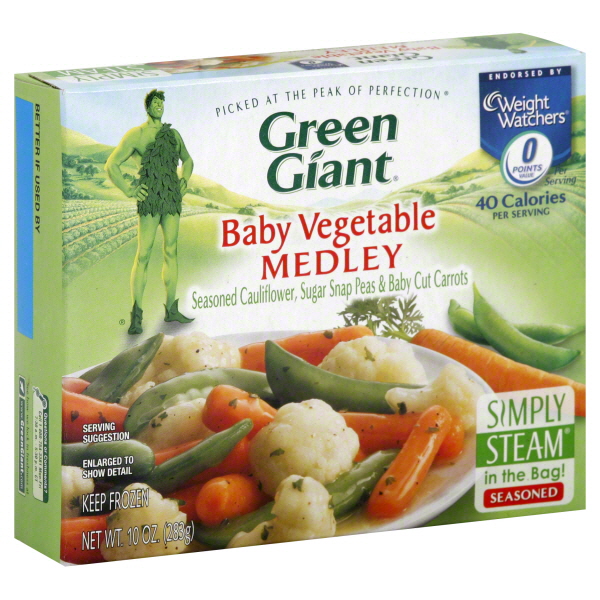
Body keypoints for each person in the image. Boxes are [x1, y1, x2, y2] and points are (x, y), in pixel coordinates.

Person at [106, 90, 194, 334]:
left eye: (161, 103)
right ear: (148, 107)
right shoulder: (136, 134)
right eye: (155, 103)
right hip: (150, 198)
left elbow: (187, 160)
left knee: (171, 250)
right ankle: (136, 316)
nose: (159, 106)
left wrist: (184, 179)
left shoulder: (173, 134)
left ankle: (171, 309)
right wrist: (129, 189)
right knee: (143, 254)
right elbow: (111, 164)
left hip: (171, 197)